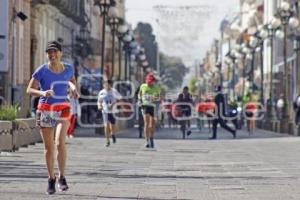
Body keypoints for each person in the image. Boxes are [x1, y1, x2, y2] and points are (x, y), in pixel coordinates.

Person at [26, 40, 79, 195]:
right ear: (46, 54)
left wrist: (74, 89)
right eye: (49, 52)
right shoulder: (42, 70)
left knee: (60, 142)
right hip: (46, 109)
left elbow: (72, 81)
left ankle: (62, 177)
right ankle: (51, 178)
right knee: (49, 148)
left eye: (55, 51)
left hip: (63, 108)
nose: (52, 55)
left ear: (60, 53)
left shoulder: (68, 68)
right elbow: (29, 89)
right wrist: (43, 93)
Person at [97, 79, 122, 147]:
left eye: (108, 85)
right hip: (105, 111)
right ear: (104, 85)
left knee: (112, 126)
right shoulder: (101, 92)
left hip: (113, 111)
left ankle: (113, 134)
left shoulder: (114, 91)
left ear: (111, 85)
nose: (107, 86)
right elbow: (99, 101)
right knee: (106, 126)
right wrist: (99, 106)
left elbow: (120, 98)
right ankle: (107, 141)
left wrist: (113, 104)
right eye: (105, 85)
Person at [138, 73, 161, 148]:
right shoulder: (143, 86)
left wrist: (154, 98)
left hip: (153, 106)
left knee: (152, 124)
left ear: (153, 81)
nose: (148, 82)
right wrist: (139, 100)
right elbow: (140, 94)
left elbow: (158, 98)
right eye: (147, 81)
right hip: (145, 106)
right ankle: (147, 140)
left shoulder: (156, 87)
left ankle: (151, 137)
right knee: (146, 123)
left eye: (150, 81)